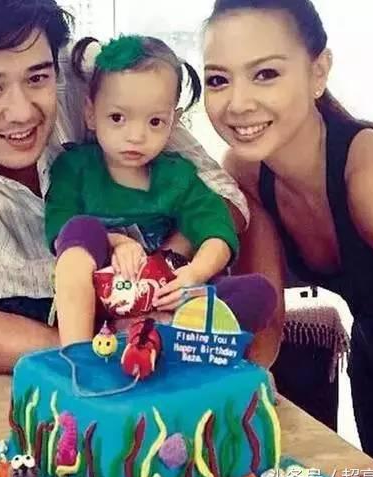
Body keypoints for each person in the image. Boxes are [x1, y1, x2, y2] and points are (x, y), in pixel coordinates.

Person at [0, 0, 252, 374]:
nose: (22, 112)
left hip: (163, 302)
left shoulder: (98, 74)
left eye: (37, 78)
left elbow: (225, 198)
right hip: (26, 321)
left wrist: (165, 266)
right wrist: (112, 346)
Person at [202, 0, 373, 477]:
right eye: (219, 80)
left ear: (318, 72)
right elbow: (265, 327)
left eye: (265, 74)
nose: (237, 103)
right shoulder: (246, 171)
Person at [45, 35, 277, 346]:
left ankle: (159, 333)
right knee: (80, 228)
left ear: (173, 121)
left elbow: (217, 232)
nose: (136, 136)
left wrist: (194, 274)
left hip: (171, 296)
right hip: (101, 301)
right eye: (117, 118)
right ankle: (77, 353)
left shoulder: (178, 176)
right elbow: (60, 231)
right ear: (90, 113)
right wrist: (116, 242)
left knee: (258, 293)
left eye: (155, 121)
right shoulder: (74, 168)